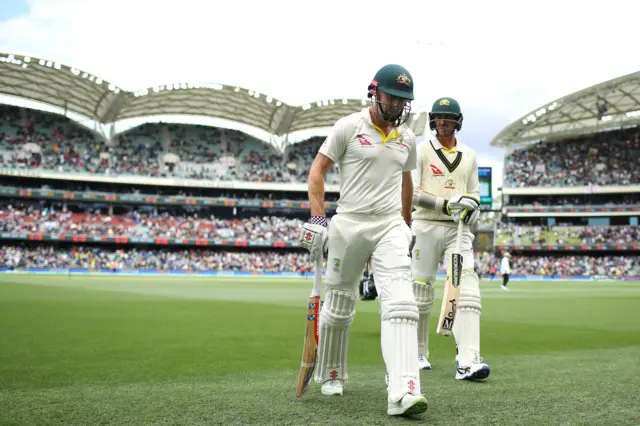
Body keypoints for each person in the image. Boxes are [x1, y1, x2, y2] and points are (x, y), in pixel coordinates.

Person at [299, 64, 428, 417]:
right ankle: (332, 373)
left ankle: (403, 389)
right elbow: (317, 172)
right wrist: (317, 218)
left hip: (389, 226)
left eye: (405, 100)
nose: (399, 105)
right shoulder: (349, 127)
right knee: (338, 307)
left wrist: (406, 224)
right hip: (350, 225)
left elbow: (406, 182)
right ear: (374, 92)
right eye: (393, 97)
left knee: (402, 303)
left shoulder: (406, 138)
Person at [410, 97, 490, 380]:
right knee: (421, 291)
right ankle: (417, 353)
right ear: (433, 121)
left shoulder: (469, 155)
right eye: (439, 118)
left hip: (459, 231)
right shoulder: (421, 150)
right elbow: (413, 192)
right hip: (425, 225)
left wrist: (470, 209)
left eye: (448, 118)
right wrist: (444, 204)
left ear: (458, 121)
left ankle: (468, 360)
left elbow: (476, 194)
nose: (442, 123)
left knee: (467, 288)